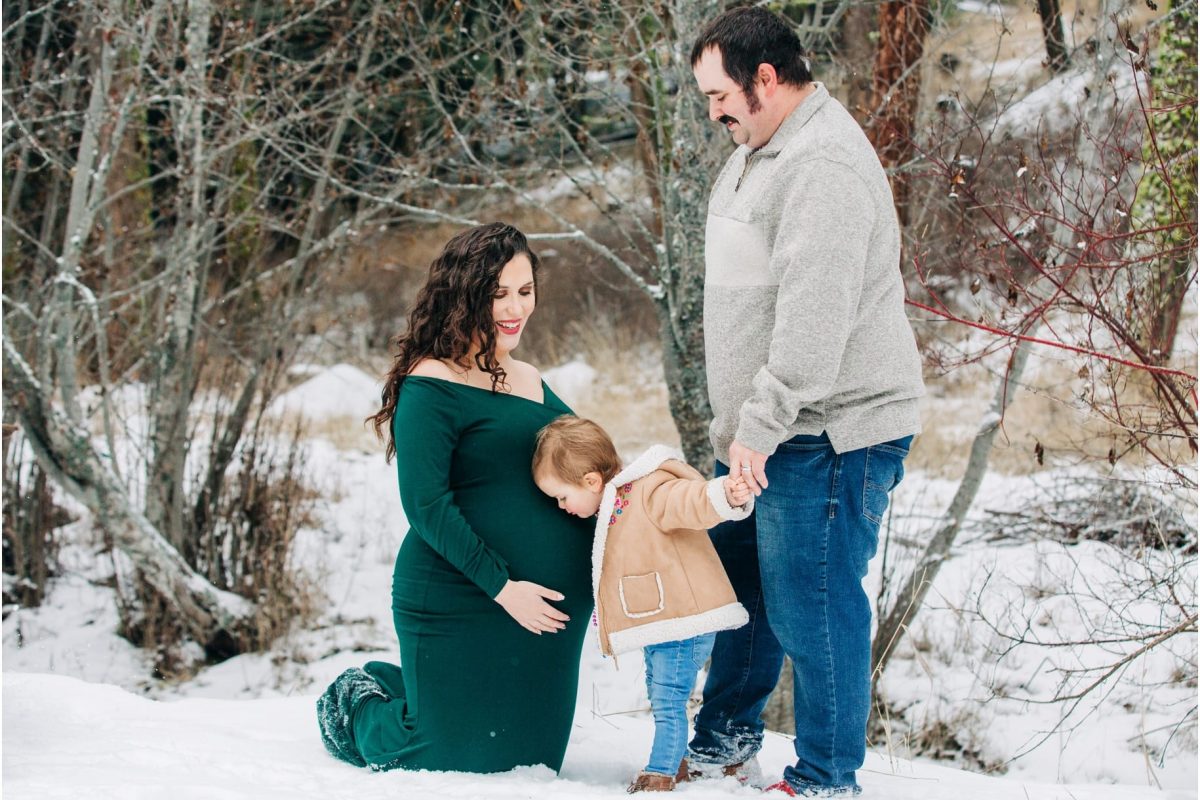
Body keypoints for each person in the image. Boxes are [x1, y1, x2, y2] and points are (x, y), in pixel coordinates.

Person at [684, 7, 926, 798]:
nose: (713, 110)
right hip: (767, 432)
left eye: (720, 94)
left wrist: (758, 427)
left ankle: (825, 779)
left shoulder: (821, 164)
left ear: (764, 78)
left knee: (812, 609)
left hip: (829, 435)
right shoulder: (760, 148)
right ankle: (723, 743)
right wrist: (743, 432)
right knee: (742, 593)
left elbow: (812, 327)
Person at [315, 222, 594, 774]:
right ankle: (357, 704)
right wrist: (502, 587)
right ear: (465, 295)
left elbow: (590, 464)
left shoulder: (532, 380)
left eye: (525, 290)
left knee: (532, 761)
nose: (515, 308)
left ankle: (417, 686)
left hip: (548, 616)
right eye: (497, 294)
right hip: (460, 593)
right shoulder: (433, 381)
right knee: (441, 754)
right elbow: (426, 505)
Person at [531, 416, 752, 793]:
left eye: (562, 497)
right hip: (663, 620)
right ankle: (675, 761)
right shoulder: (613, 505)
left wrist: (723, 496)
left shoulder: (647, 491)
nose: (561, 506)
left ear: (590, 481)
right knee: (661, 692)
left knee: (668, 699)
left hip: (685, 618)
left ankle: (660, 773)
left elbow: (688, 500)